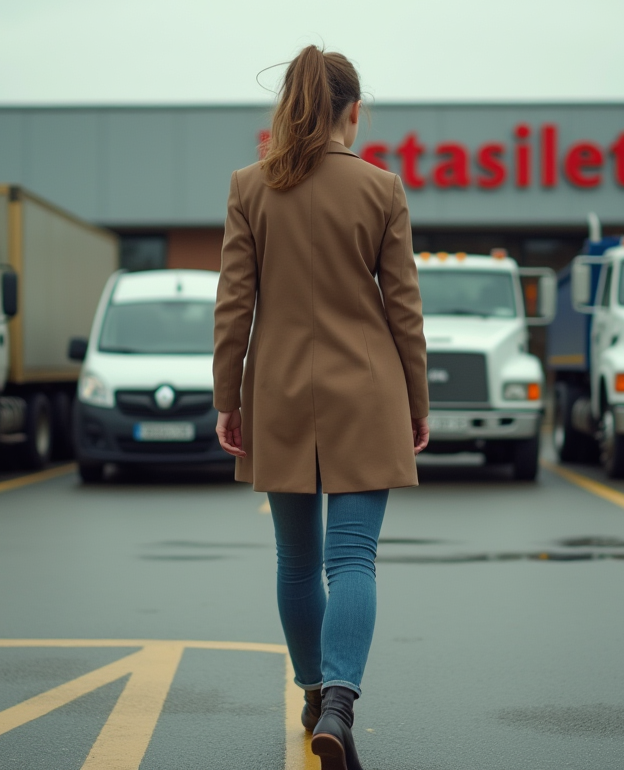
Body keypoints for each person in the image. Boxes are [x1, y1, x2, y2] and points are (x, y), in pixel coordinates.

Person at [213, 45, 429, 770]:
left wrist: (226, 398)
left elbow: (233, 307)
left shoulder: (250, 187)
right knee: (353, 559)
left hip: (275, 392)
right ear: (353, 112)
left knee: (298, 561)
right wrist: (418, 403)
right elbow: (404, 310)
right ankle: (341, 699)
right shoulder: (382, 189)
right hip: (367, 393)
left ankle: (312, 696)